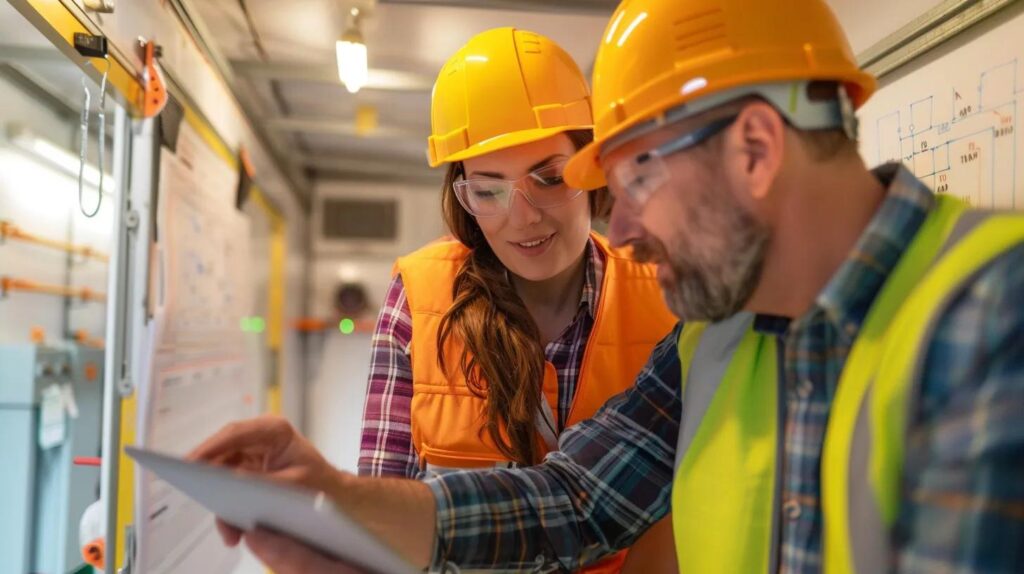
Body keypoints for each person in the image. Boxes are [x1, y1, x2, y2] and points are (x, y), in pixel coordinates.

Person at [189, 0, 1024, 572]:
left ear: (757, 152)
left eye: (637, 182)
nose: (618, 231)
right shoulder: (717, 337)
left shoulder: (993, 313)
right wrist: (337, 506)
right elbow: (572, 499)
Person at [356, 26, 676, 573]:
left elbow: (595, 502)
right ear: (462, 194)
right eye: (488, 189)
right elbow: (380, 526)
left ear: (591, 167)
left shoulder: (669, 293)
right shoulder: (418, 295)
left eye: (549, 179)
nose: (523, 217)